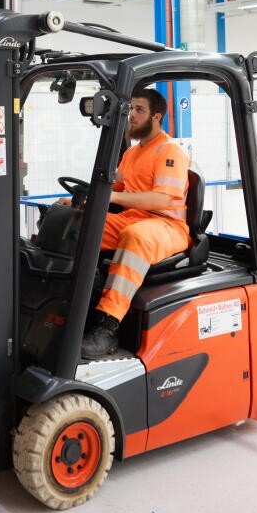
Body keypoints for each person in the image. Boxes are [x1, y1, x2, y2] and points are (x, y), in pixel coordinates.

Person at [80, 87, 190, 358]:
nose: (132, 115)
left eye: (139, 110)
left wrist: (112, 196)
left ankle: (108, 325)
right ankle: (72, 307)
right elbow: (114, 186)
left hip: (167, 225)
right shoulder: (132, 153)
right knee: (79, 226)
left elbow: (163, 200)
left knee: (135, 237)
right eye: (131, 109)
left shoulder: (169, 151)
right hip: (134, 219)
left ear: (157, 116)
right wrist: (78, 202)